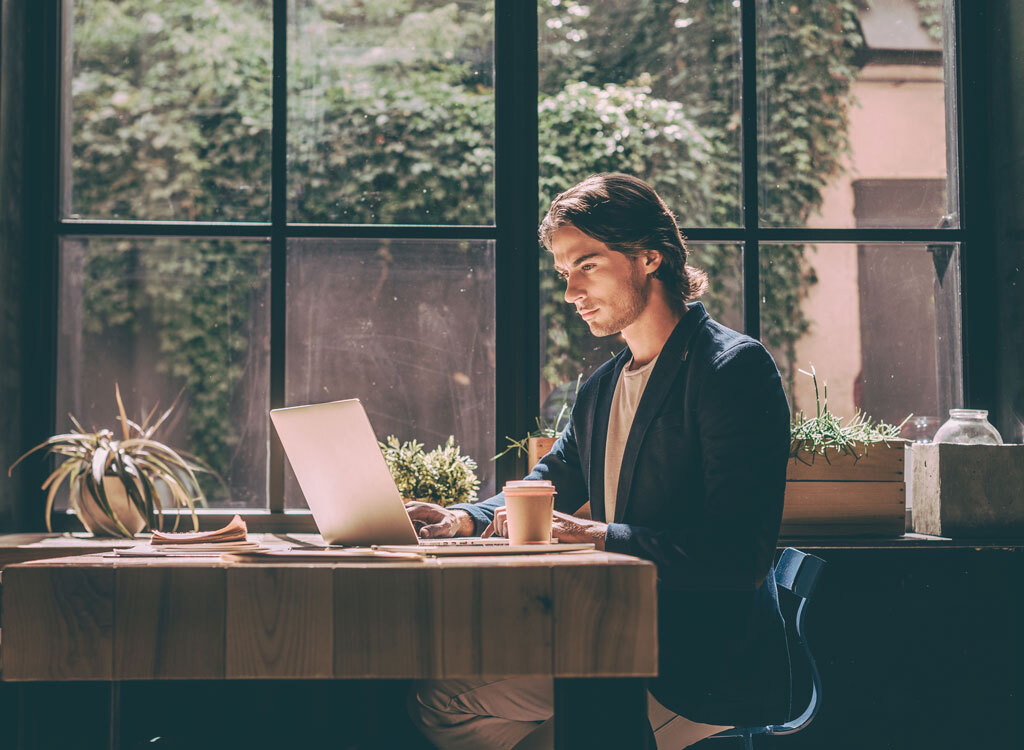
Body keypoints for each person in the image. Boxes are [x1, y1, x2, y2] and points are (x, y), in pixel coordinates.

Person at [405, 173, 792, 749]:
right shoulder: (603, 387)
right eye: (565, 273)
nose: (571, 292)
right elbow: (547, 483)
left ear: (649, 256)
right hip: (613, 635)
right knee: (438, 693)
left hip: (695, 663)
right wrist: (462, 519)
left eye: (587, 264)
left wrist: (596, 535)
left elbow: (737, 558)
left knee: (445, 704)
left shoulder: (731, 370)